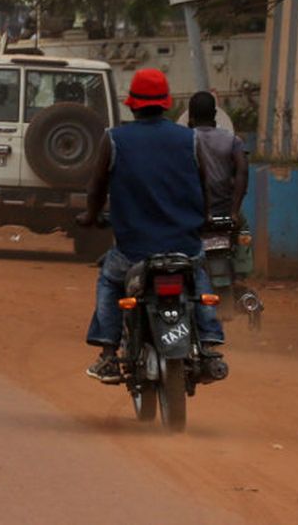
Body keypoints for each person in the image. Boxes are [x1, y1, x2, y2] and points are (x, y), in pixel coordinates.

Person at [75, 69, 226, 383]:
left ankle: (107, 353)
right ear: (166, 104)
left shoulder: (114, 139)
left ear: (132, 105)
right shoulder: (190, 139)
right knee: (198, 277)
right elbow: (205, 185)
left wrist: (89, 217)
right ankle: (210, 344)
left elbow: (96, 187)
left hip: (134, 251)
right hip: (185, 245)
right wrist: (207, 219)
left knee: (109, 280)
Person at [188, 91, 248, 223]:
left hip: (192, 212)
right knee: (244, 237)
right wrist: (234, 212)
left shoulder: (185, 139)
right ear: (215, 114)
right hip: (225, 212)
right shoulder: (232, 140)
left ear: (190, 116)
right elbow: (242, 172)